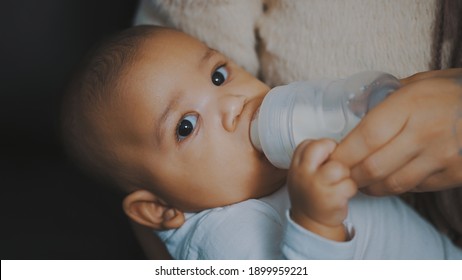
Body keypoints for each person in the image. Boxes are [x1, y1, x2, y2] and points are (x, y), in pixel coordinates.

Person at [61, 25, 462, 259]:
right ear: (160, 209)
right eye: (186, 126)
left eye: (219, 76)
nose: (233, 105)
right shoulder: (222, 240)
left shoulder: (273, 167)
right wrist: (315, 225)